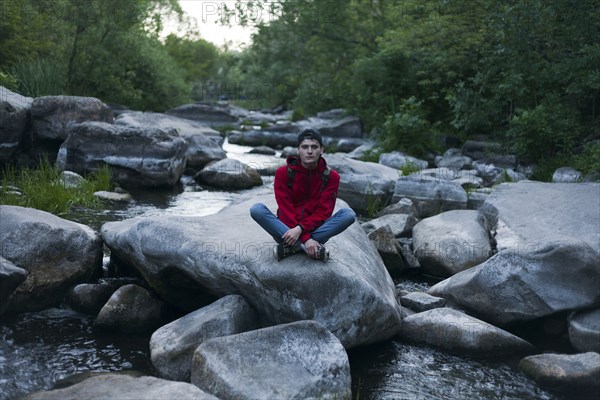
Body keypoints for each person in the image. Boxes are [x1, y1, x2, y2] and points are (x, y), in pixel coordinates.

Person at [250, 128, 356, 262]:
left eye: (314, 147)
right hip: (287, 231)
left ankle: (291, 248)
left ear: (321, 150)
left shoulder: (331, 177)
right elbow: (286, 210)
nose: (310, 151)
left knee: (348, 215)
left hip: (315, 230)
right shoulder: (283, 173)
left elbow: (323, 212)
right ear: (298, 150)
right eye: (305, 147)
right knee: (257, 209)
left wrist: (301, 230)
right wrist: (306, 239)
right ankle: (307, 247)